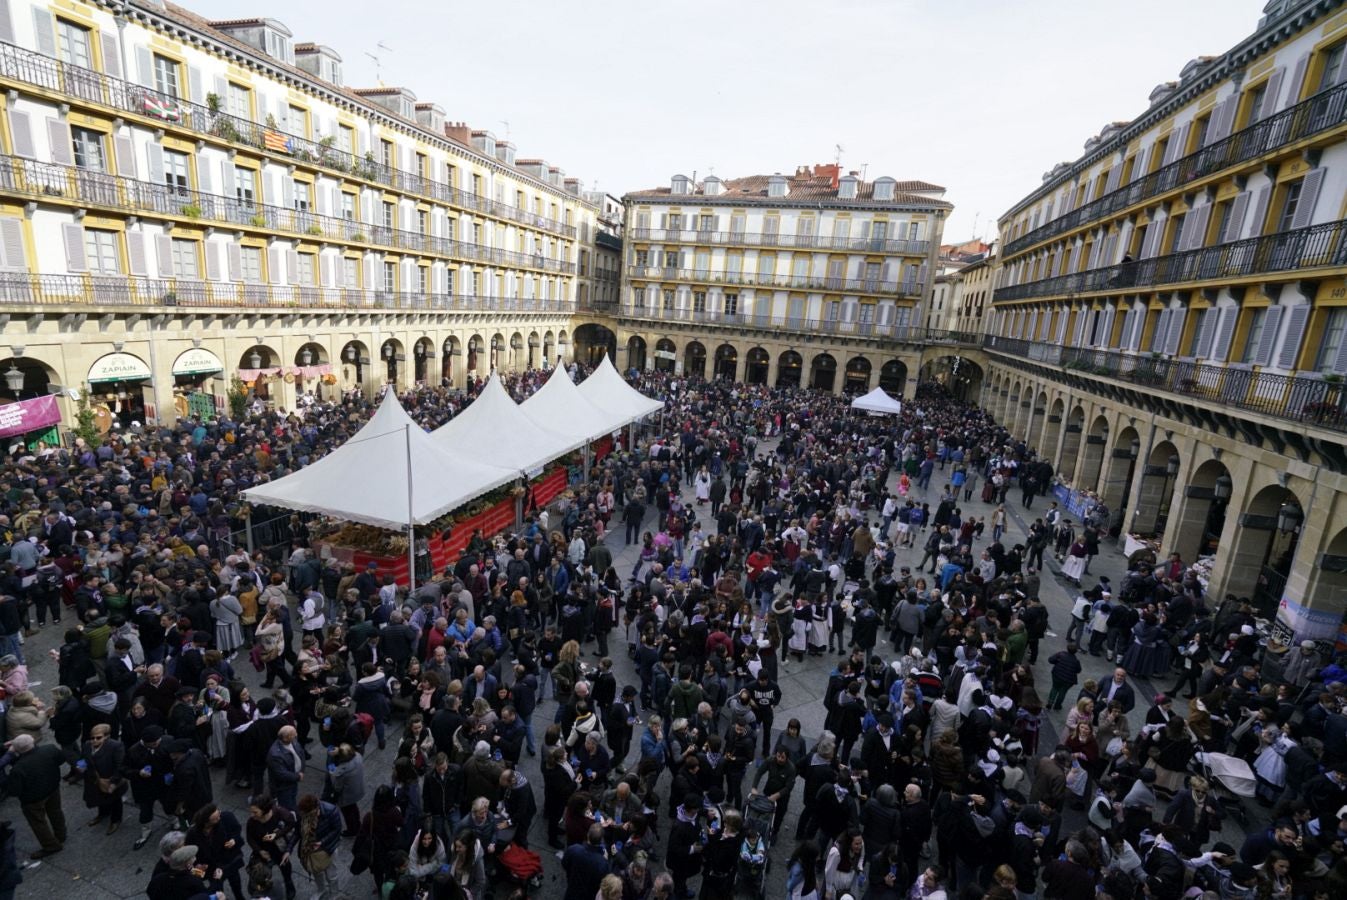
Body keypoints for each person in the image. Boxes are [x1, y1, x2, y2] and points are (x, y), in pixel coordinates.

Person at [2, 733, 67, 859]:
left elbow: (14, 791)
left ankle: (51, 845)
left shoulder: (18, 768)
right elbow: (61, 759)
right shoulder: (50, 749)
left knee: (38, 823)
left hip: (33, 800)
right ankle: (61, 835)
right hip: (53, 788)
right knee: (56, 812)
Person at [80, 722, 127, 835]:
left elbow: (120, 766)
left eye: (98, 737)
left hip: (109, 779)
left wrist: (114, 782)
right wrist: (80, 766)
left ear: (106, 736)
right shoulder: (87, 745)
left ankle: (115, 820)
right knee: (99, 797)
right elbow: (82, 758)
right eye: (92, 738)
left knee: (115, 800)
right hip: (94, 779)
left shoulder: (115, 746)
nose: (94, 740)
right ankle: (103, 814)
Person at [295, 794, 342, 900]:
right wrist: (289, 849)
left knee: (331, 874)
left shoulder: (330, 810)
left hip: (329, 847)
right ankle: (321, 890)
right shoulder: (303, 813)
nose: (303, 815)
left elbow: (337, 830)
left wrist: (322, 842)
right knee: (316, 871)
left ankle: (334, 894)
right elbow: (297, 832)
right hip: (311, 848)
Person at [560, 822, 610, 900]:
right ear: (601, 841)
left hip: (572, 889)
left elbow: (564, 863)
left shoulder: (574, 849)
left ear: (588, 835)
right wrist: (605, 860)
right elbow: (603, 883)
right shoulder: (603, 864)